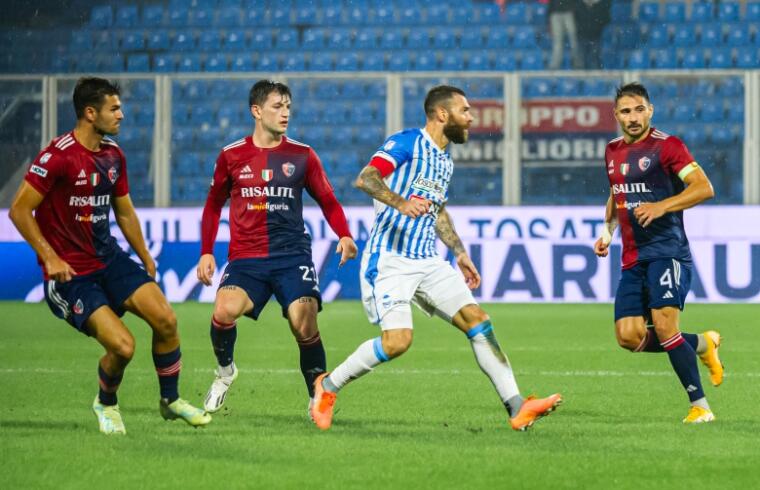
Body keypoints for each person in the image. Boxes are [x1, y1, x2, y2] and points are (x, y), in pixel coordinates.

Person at [309, 85, 562, 431]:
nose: (471, 117)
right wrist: (400, 202)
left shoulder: (444, 159)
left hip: (428, 259)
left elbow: (438, 210)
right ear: (443, 114)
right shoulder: (407, 143)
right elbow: (366, 178)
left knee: (478, 320)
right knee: (397, 342)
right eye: (465, 110)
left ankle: (517, 406)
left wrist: (458, 252)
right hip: (391, 260)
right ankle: (327, 387)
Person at [8, 77, 210, 435]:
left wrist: (144, 254)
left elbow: (125, 212)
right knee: (123, 346)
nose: (122, 114)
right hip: (72, 276)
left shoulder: (113, 155)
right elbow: (20, 211)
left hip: (110, 260)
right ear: (90, 113)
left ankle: (170, 401)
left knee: (166, 320)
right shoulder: (58, 156)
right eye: (113, 108)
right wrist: (50, 258)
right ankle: (106, 402)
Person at [197, 80, 357, 417]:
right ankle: (225, 372)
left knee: (304, 324)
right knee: (223, 311)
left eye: (288, 107)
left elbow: (327, 199)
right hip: (246, 258)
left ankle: (318, 397)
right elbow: (213, 205)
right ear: (256, 111)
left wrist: (343, 234)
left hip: (291, 256)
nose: (285, 113)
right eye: (277, 106)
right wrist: (207, 251)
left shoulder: (302, 154)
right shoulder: (231, 156)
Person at [594, 82, 724, 424]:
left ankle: (701, 407)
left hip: (668, 252)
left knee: (666, 327)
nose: (633, 117)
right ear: (616, 115)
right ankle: (701, 344)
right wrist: (606, 232)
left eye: (639, 110)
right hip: (632, 259)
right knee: (628, 336)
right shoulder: (611, 151)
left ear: (650, 110)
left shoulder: (668, 147)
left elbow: (703, 188)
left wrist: (663, 206)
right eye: (626, 111)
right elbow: (616, 193)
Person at [574, 0, 611, 69]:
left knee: (594, 58)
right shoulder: (579, 5)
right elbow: (576, 19)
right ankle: (581, 76)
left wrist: (598, 27)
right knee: (581, 59)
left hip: (596, 35)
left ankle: (596, 74)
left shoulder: (600, 6)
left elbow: (606, 19)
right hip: (582, 35)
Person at [548, 0, 582, 70]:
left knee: (573, 40)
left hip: (569, 12)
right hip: (556, 13)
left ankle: (577, 63)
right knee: (558, 42)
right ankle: (555, 65)